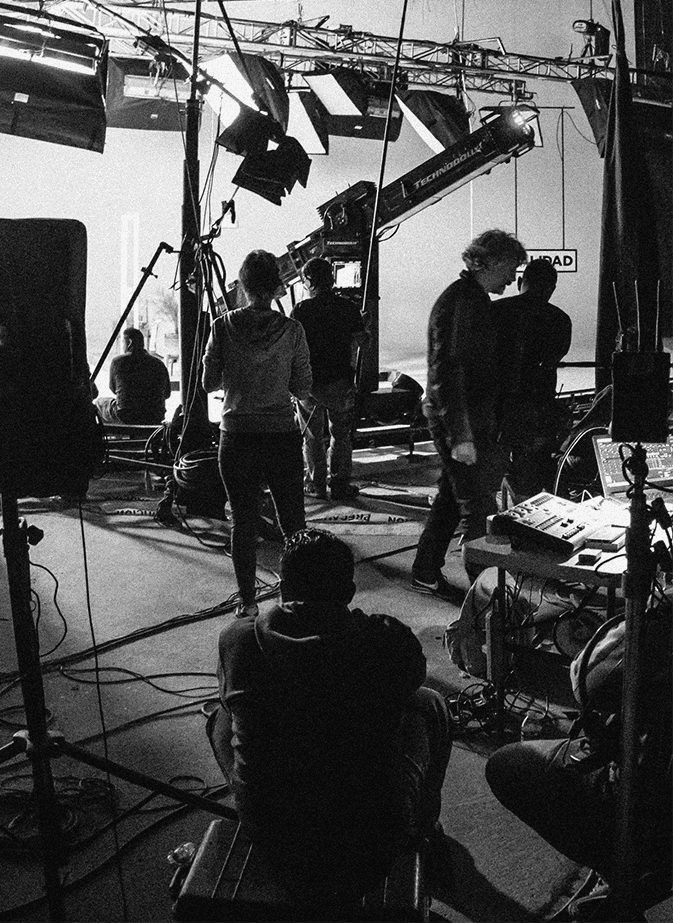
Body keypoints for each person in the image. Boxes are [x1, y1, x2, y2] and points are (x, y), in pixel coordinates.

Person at [207, 527, 452, 913]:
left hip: (273, 837)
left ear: (282, 587)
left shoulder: (237, 639)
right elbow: (411, 681)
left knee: (222, 717)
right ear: (350, 593)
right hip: (372, 843)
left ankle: (252, 799)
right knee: (430, 703)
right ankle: (422, 825)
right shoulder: (385, 639)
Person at [485, 596, 672, 919]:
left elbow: (588, 679)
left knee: (506, 765)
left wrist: (654, 612)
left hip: (650, 805)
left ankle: (622, 870)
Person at [411, 228, 527, 595]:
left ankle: (424, 572)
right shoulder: (463, 303)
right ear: (490, 262)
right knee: (478, 508)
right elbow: (449, 371)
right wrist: (461, 436)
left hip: (462, 419)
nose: (513, 277)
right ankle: (487, 598)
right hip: (458, 423)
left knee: (452, 497)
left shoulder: (469, 298)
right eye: (511, 268)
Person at [202, 250, 312, 618]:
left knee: (243, 522)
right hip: (281, 435)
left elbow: (208, 383)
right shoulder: (292, 330)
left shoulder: (222, 326)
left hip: (237, 436)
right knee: (293, 522)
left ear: (243, 285)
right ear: (277, 286)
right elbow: (302, 387)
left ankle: (247, 603)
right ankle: (294, 601)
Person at [494, 258, 573, 499]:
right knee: (532, 483)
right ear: (552, 289)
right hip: (539, 414)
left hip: (496, 413)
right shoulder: (560, 320)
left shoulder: (495, 311)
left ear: (520, 281)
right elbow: (553, 358)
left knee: (487, 483)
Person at [292, 256, 367, 501]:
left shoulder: (301, 310)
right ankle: (340, 484)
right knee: (341, 435)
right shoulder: (348, 308)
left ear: (308, 281)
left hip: (309, 385)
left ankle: (316, 485)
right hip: (340, 383)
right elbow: (363, 341)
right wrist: (362, 323)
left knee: (312, 437)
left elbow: (292, 346)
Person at [100, 327, 170, 428]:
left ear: (129, 342)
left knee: (99, 403)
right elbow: (167, 394)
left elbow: (113, 388)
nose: (122, 345)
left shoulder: (117, 362)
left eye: (123, 342)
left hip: (126, 415)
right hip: (155, 415)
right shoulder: (159, 364)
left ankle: (109, 434)